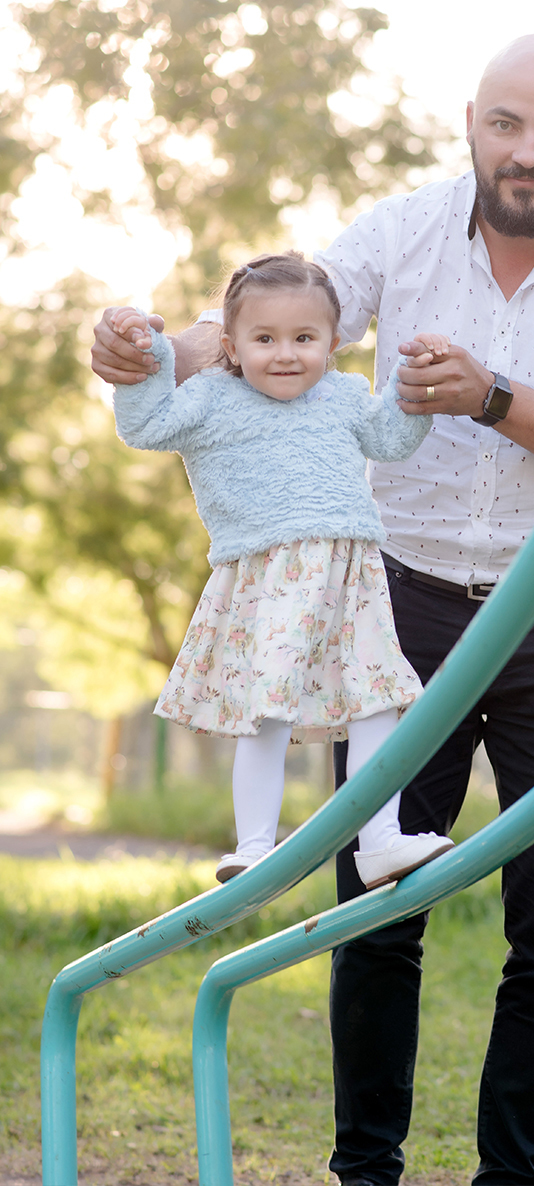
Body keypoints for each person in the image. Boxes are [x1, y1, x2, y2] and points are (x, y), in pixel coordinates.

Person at [92, 35, 534, 1185]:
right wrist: (155, 348)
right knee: (371, 902)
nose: (525, 150)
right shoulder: (403, 230)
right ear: (470, 121)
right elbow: (273, 314)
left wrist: (493, 397)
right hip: (396, 601)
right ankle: (365, 1167)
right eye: (505, 123)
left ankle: (514, 1173)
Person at [111, 251, 453, 889]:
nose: (286, 353)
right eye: (264, 339)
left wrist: (415, 389)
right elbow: (147, 426)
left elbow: (391, 441)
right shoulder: (212, 396)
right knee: (267, 709)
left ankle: (380, 840)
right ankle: (253, 846)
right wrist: (150, 365)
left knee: (377, 702)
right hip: (268, 578)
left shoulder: (346, 395)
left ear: (331, 343)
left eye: (305, 338)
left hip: (351, 575)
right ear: (232, 345)